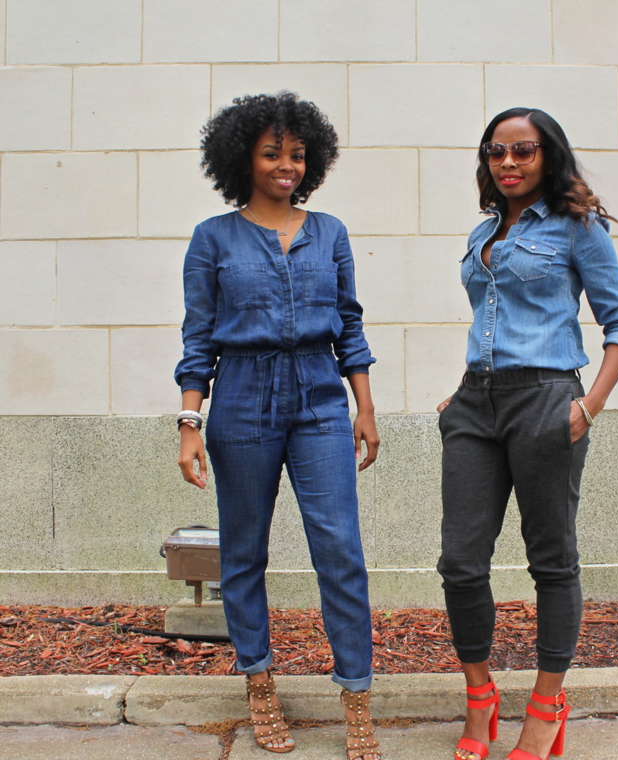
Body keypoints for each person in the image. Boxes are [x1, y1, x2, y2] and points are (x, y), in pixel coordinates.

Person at [174, 92, 381, 760]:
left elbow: (349, 325)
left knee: (340, 550)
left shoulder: (331, 232)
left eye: (296, 154)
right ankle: (259, 683)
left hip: (320, 398)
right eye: (272, 154)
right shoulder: (213, 238)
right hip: (241, 398)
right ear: (243, 159)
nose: (286, 166)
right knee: (244, 552)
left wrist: (364, 407)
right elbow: (199, 339)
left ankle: (356, 696)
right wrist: (189, 421)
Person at [437, 107, 618, 760]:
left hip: (547, 400)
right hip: (476, 404)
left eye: (522, 150)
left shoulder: (579, 228)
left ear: (548, 155)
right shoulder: (483, 231)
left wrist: (590, 406)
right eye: (496, 151)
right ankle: (479, 696)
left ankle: (548, 703)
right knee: (460, 562)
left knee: (551, 560)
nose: (508, 162)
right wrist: (463, 391)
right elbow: (492, 316)